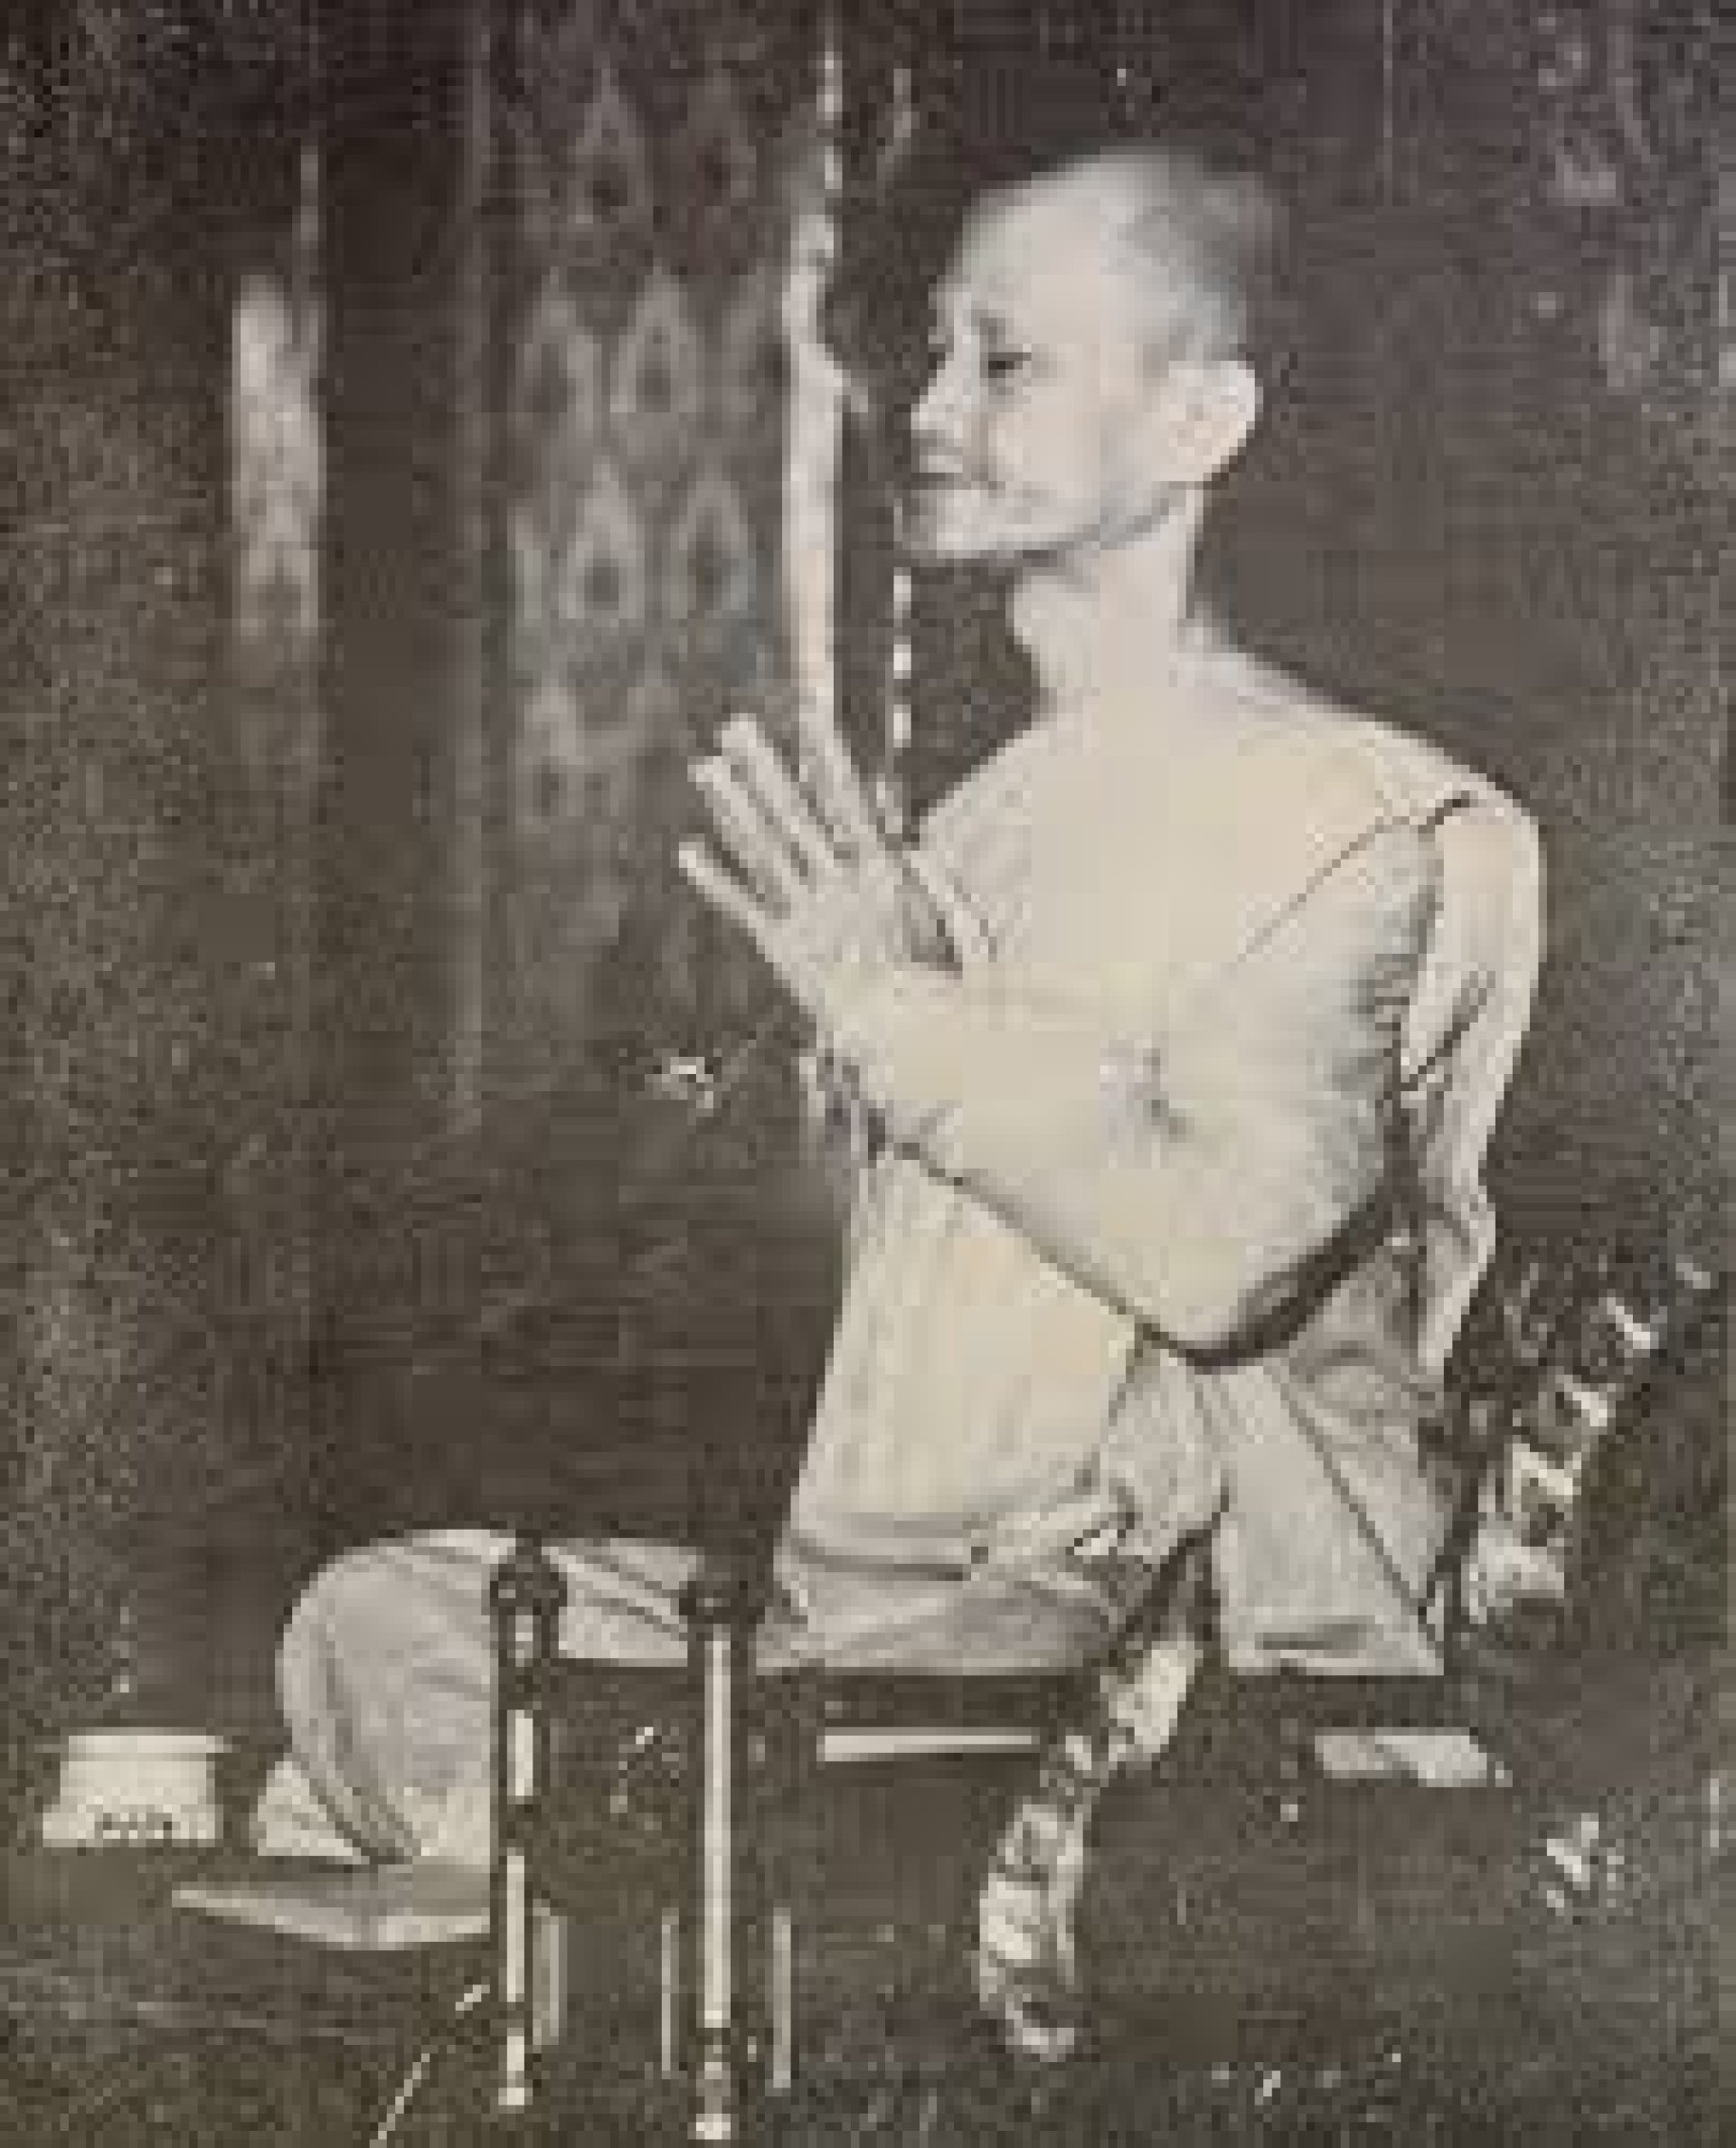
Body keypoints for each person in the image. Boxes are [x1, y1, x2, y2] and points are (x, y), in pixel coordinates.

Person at [256, 140, 1542, 1983]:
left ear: (1203, 420)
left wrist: (890, 1011)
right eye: (932, 354)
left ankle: (589, 1890)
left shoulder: (1349, 815)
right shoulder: (991, 810)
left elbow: (1221, 1254)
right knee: (375, 1622)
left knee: (618, 1782)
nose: (926, 411)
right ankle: (600, 1876)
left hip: (1174, 1663)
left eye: (1002, 362)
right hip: (881, 1637)